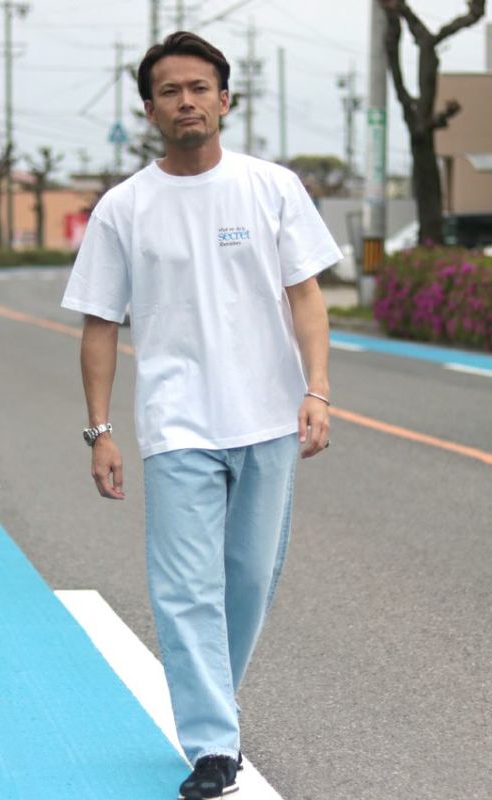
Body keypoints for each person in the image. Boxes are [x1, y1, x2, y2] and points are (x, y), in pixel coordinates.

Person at [62, 31, 342, 800]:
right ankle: (215, 744)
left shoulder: (271, 187)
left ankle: (215, 698)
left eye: (198, 88)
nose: (185, 101)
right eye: (169, 91)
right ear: (149, 109)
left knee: (248, 578)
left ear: (225, 99)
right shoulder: (124, 207)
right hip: (176, 426)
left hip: (268, 420)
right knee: (185, 590)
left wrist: (317, 390)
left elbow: (306, 296)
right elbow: (99, 324)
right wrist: (100, 431)